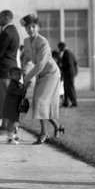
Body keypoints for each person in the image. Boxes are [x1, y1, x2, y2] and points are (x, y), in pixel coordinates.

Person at [21, 14, 65, 144]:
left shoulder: (43, 41)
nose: (31, 29)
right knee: (38, 103)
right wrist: (24, 73)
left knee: (40, 101)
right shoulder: (26, 41)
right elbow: (27, 59)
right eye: (28, 27)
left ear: (38, 27)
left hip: (51, 73)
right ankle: (58, 126)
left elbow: (40, 64)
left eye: (33, 26)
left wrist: (27, 77)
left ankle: (44, 133)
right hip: (40, 74)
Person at [0, 10, 20, 135]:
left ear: (6, 18)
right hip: (9, 69)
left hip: (4, 70)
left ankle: (7, 126)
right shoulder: (12, 31)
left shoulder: (6, 33)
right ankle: (8, 124)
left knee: (4, 99)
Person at [1, 67, 31, 145]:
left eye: (19, 74)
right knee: (11, 121)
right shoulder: (12, 84)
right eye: (15, 74)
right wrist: (25, 87)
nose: (17, 76)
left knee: (15, 121)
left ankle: (13, 135)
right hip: (11, 105)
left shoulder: (18, 83)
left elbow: (22, 93)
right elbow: (18, 92)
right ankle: (10, 138)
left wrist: (24, 87)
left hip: (15, 105)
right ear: (10, 76)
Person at [58, 42, 78, 108]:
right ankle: (66, 102)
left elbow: (68, 63)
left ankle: (74, 102)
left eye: (59, 48)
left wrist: (61, 66)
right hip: (70, 73)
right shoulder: (70, 53)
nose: (59, 49)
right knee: (66, 88)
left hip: (68, 73)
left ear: (62, 47)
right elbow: (75, 63)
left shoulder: (67, 53)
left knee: (69, 88)